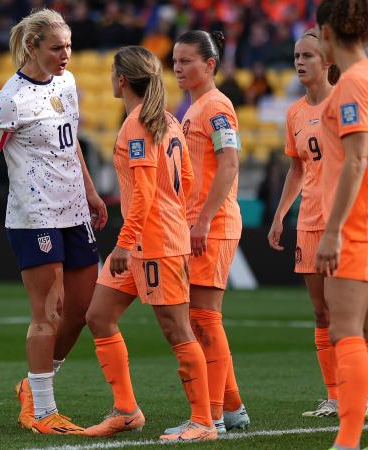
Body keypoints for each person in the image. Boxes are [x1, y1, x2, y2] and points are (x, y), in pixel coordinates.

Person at [0, 9, 107, 435]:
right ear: (32, 47)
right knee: (47, 313)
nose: (66, 55)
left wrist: (89, 191)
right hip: (35, 218)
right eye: (57, 47)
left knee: (83, 310)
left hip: (74, 213)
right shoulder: (9, 100)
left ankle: (34, 386)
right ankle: (43, 409)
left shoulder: (68, 83)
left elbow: (72, 144)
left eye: (69, 46)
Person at [83, 46, 216, 442]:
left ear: (122, 79)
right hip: (148, 239)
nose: (109, 78)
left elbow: (141, 194)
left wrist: (125, 242)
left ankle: (203, 422)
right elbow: (187, 179)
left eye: (112, 72)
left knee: (177, 330)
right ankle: (126, 410)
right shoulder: (166, 121)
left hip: (153, 243)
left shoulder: (137, 124)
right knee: (98, 315)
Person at [315, 1, 368, 449]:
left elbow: (356, 160)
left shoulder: (350, 84)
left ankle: (347, 441)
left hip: (357, 222)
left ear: (328, 32)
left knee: (345, 331)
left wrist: (331, 231)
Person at [172, 30, 249, 434]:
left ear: (210, 65)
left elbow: (230, 165)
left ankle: (213, 415)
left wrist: (202, 221)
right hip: (196, 223)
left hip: (212, 224)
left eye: (186, 60)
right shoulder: (194, 108)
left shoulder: (217, 107)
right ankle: (231, 408)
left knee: (204, 318)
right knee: (198, 318)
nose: (178, 68)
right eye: (176, 60)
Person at [268, 29, 346, 418]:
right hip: (309, 221)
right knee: (321, 313)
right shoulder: (294, 112)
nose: (300, 62)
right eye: (297, 55)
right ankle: (334, 396)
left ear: (327, 61)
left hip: (343, 223)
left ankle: (358, 393)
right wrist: (281, 214)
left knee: (345, 312)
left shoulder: (344, 104)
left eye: (308, 56)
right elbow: (297, 168)